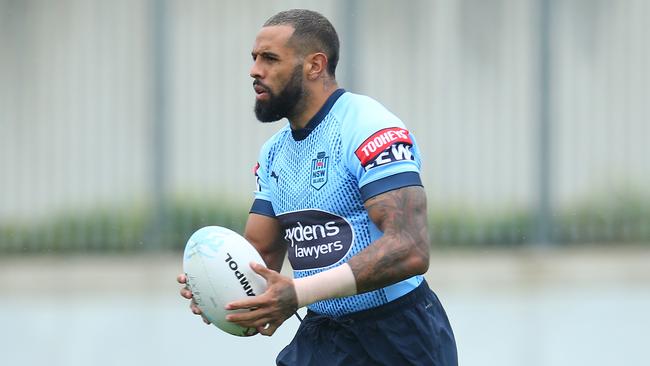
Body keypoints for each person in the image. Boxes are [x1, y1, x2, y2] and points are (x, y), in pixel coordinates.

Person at [178, 8, 457, 366]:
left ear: (314, 65)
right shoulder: (274, 153)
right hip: (322, 335)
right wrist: (217, 287)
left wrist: (297, 293)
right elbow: (260, 256)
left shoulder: (369, 128)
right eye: (254, 59)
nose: (254, 71)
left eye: (269, 59)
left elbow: (410, 248)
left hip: (398, 334)